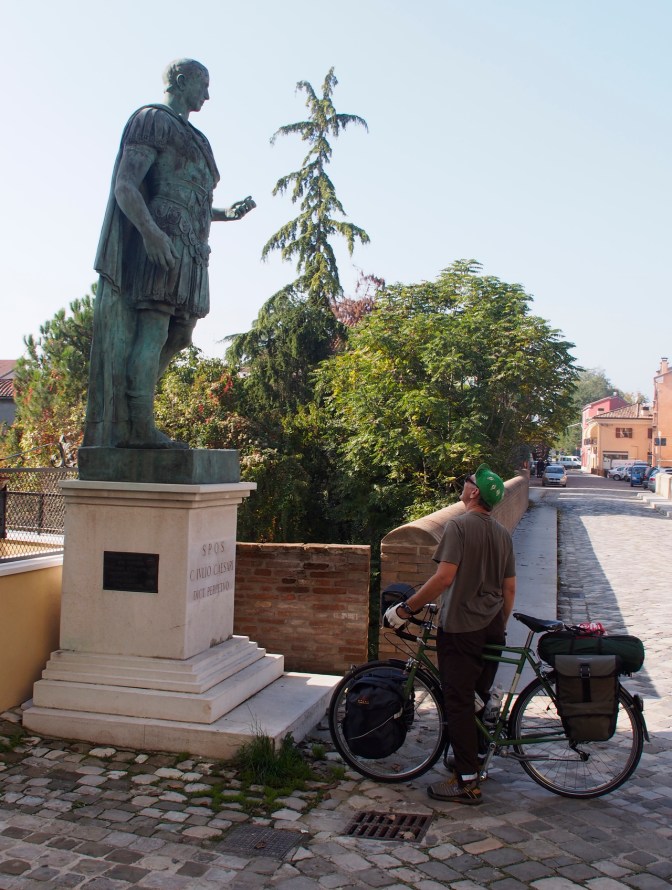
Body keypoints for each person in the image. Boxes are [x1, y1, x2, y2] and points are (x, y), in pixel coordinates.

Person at [84, 59, 255, 449]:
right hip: (162, 237)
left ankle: (135, 411)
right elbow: (126, 186)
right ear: (181, 81)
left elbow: (194, 202)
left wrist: (225, 213)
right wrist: (151, 234)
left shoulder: (198, 138)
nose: (207, 95)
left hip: (192, 247)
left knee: (181, 334)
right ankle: (138, 427)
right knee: (155, 327)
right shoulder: (152, 120)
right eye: (203, 85)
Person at [384, 464, 516, 806]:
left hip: (461, 628)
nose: (464, 484)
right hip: (491, 628)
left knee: (458, 703)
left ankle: (467, 783)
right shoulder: (502, 533)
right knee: (476, 699)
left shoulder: (458, 526)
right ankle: (471, 760)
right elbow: (510, 588)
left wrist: (406, 609)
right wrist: (498, 622)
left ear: (474, 493)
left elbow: (444, 578)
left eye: (467, 481)